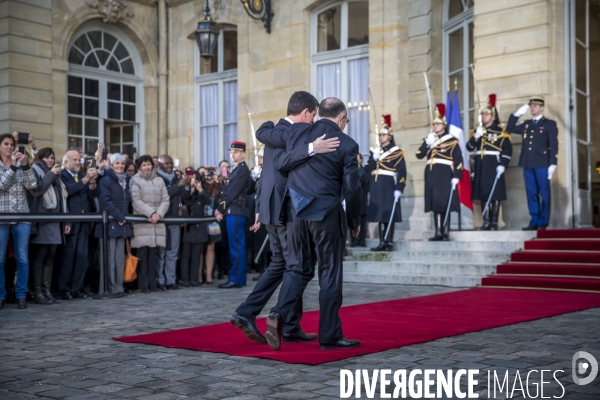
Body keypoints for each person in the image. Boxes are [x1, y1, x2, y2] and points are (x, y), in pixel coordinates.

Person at [232, 91, 338, 344]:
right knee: (297, 266)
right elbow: (279, 164)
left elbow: (265, 147)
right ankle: (276, 318)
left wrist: (259, 206)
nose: (313, 120)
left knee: (283, 263)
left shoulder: (273, 129)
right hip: (285, 208)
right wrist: (313, 147)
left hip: (271, 205)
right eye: (313, 115)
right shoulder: (292, 132)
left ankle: (280, 322)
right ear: (304, 113)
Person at [260, 97, 362, 350]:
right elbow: (352, 188)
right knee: (329, 273)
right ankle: (329, 335)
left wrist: (308, 147)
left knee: (296, 269)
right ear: (341, 118)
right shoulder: (347, 144)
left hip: (295, 213)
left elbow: (280, 161)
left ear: (320, 114)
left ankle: (277, 314)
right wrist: (354, 221)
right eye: (346, 120)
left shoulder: (297, 131)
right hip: (326, 214)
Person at [506, 96, 558, 230]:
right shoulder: (526, 124)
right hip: (528, 163)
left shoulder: (549, 124)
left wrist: (553, 162)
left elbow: (553, 144)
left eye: (535, 106)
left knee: (544, 193)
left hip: (542, 163)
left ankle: (543, 222)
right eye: (531, 106)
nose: (532, 108)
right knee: (531, 193)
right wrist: (517, 114)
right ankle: (534, 220)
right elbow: (509, 128)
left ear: (541, 108)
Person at [28, 148, 71, 305]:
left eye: (52, 158)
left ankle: (47, 290)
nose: (50, 160)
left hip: (56, 221)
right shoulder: (35, 170)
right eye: (47, 158)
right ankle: (37, 291)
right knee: (40, 255)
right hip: (42, 220)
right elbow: (36, 191)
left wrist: (66, 221)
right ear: (40, 158)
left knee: (51, 257)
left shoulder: (55, 175)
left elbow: (62, 198)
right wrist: (51, 174)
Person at [416, 104, 463, 241]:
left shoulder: (451, 140)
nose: (434, 126)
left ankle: (445, 231)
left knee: (444, 202)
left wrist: (456, 176)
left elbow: (459, 159)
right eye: (433, 124)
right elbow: (419, 154)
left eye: (437, 124)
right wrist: (427, 144)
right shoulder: (430, 139)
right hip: (431, 174)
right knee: (435, 203)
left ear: (443, 125)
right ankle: (437, 231)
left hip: (444, 174)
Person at [0, 133, 37, 310]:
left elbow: (32, 185)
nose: (9, 147)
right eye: (5, 143)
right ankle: (1, 295)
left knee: (22, 258)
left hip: (22, 215)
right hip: (2, 217)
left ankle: (21, 295)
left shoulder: (21, 164)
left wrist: (25, 164)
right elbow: (1, 186)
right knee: (0, 260)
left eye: (11, 144)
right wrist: (13, 167)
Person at [60, 149, 102, 300]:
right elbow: (67, 191)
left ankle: (77, 288)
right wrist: (85, 179)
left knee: (82, 258)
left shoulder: (82, 176)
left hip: (84, 223)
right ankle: (64, 289)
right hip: (70, 223)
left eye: (79, 160)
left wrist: (91, 182)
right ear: (66, 162)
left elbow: (91, 195)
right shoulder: (62, 176)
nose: (78, 163)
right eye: (74, 160)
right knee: (68, 258)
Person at [467, 94, 513, 230]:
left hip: (493, 164)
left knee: (495, 194)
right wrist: (476, 137)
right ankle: (486, 221)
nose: (483, 117)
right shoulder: (478, 131)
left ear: (493, 116)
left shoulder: (501, 132)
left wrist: (503, 165)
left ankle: (493, 222)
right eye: (482, 115)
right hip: (481, 165)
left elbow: (508, 150)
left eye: (486, 115)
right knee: (483, 194)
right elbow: (469, 147)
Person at [365, 115, 406, 251]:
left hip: (388, 185)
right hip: (376, 185)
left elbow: (402, 172)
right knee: (380, 215)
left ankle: (388, 242)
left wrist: (399, 188)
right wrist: (373, 158)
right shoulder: (376, 151)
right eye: (380, 135)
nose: (380, 137)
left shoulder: (397, 152)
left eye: (383, 135)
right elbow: (367, 170)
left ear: (389, 136)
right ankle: (382, 242)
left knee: (388, 215)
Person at [130, 155, 170, 293]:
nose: (147, 167)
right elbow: (135, 200)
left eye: (148, 164)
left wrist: (159, 214)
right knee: (142, 254)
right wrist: (151, 213)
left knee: (154, 254)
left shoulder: (159, 180)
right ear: (139, 167)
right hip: (143, 221)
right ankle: (143, 285)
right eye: (144, 165)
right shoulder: (135, 180)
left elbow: (166, 199)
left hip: (156, 221)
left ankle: (153, 284)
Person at [217, 143, 254, 289]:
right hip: (234, 210)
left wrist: (220, 208)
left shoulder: (242, 170)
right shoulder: (238, 170)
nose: (233, 154)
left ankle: (236, 278)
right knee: (236, 245)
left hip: (236, 210)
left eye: (236, 152)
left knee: (237, 246)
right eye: (231, 151)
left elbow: (231, 192)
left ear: (243, 154)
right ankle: (237, 277)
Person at [95, 153, 132, 295]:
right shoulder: (106, 180)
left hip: (122, 225)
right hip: (109, 224)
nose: (120, 166)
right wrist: (119, 216)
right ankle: (107, 289)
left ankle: (119, 288)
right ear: (111, 165)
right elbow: (105, 201)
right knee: (108, 260)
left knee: (119, 260)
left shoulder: (127, 180)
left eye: (122, 164)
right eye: (117, 163)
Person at [156, 154, 187, 290]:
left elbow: (186, 197)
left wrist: (186, 186)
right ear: (159, 165)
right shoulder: (156, 178)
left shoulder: (176, 178)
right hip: (161, 219)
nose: (169, 166)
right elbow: (163, 195)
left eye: (170, 163)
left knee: (173, 252)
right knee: (161, 252)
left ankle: (171, 280)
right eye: (166, 163)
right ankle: (160, 280)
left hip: (175, 219)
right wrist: (178, 185)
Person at [180, 173, 210, 287]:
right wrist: (190, 188)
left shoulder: (202, 192)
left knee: (196, 255)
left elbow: (208, 201)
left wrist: (200, 189)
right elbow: (184, 198)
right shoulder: (187, 191)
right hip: (189, 227)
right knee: (186, 255)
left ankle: (193, 279)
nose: (194, 181)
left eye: (196, 179)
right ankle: (185, 279)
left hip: (200, 226)